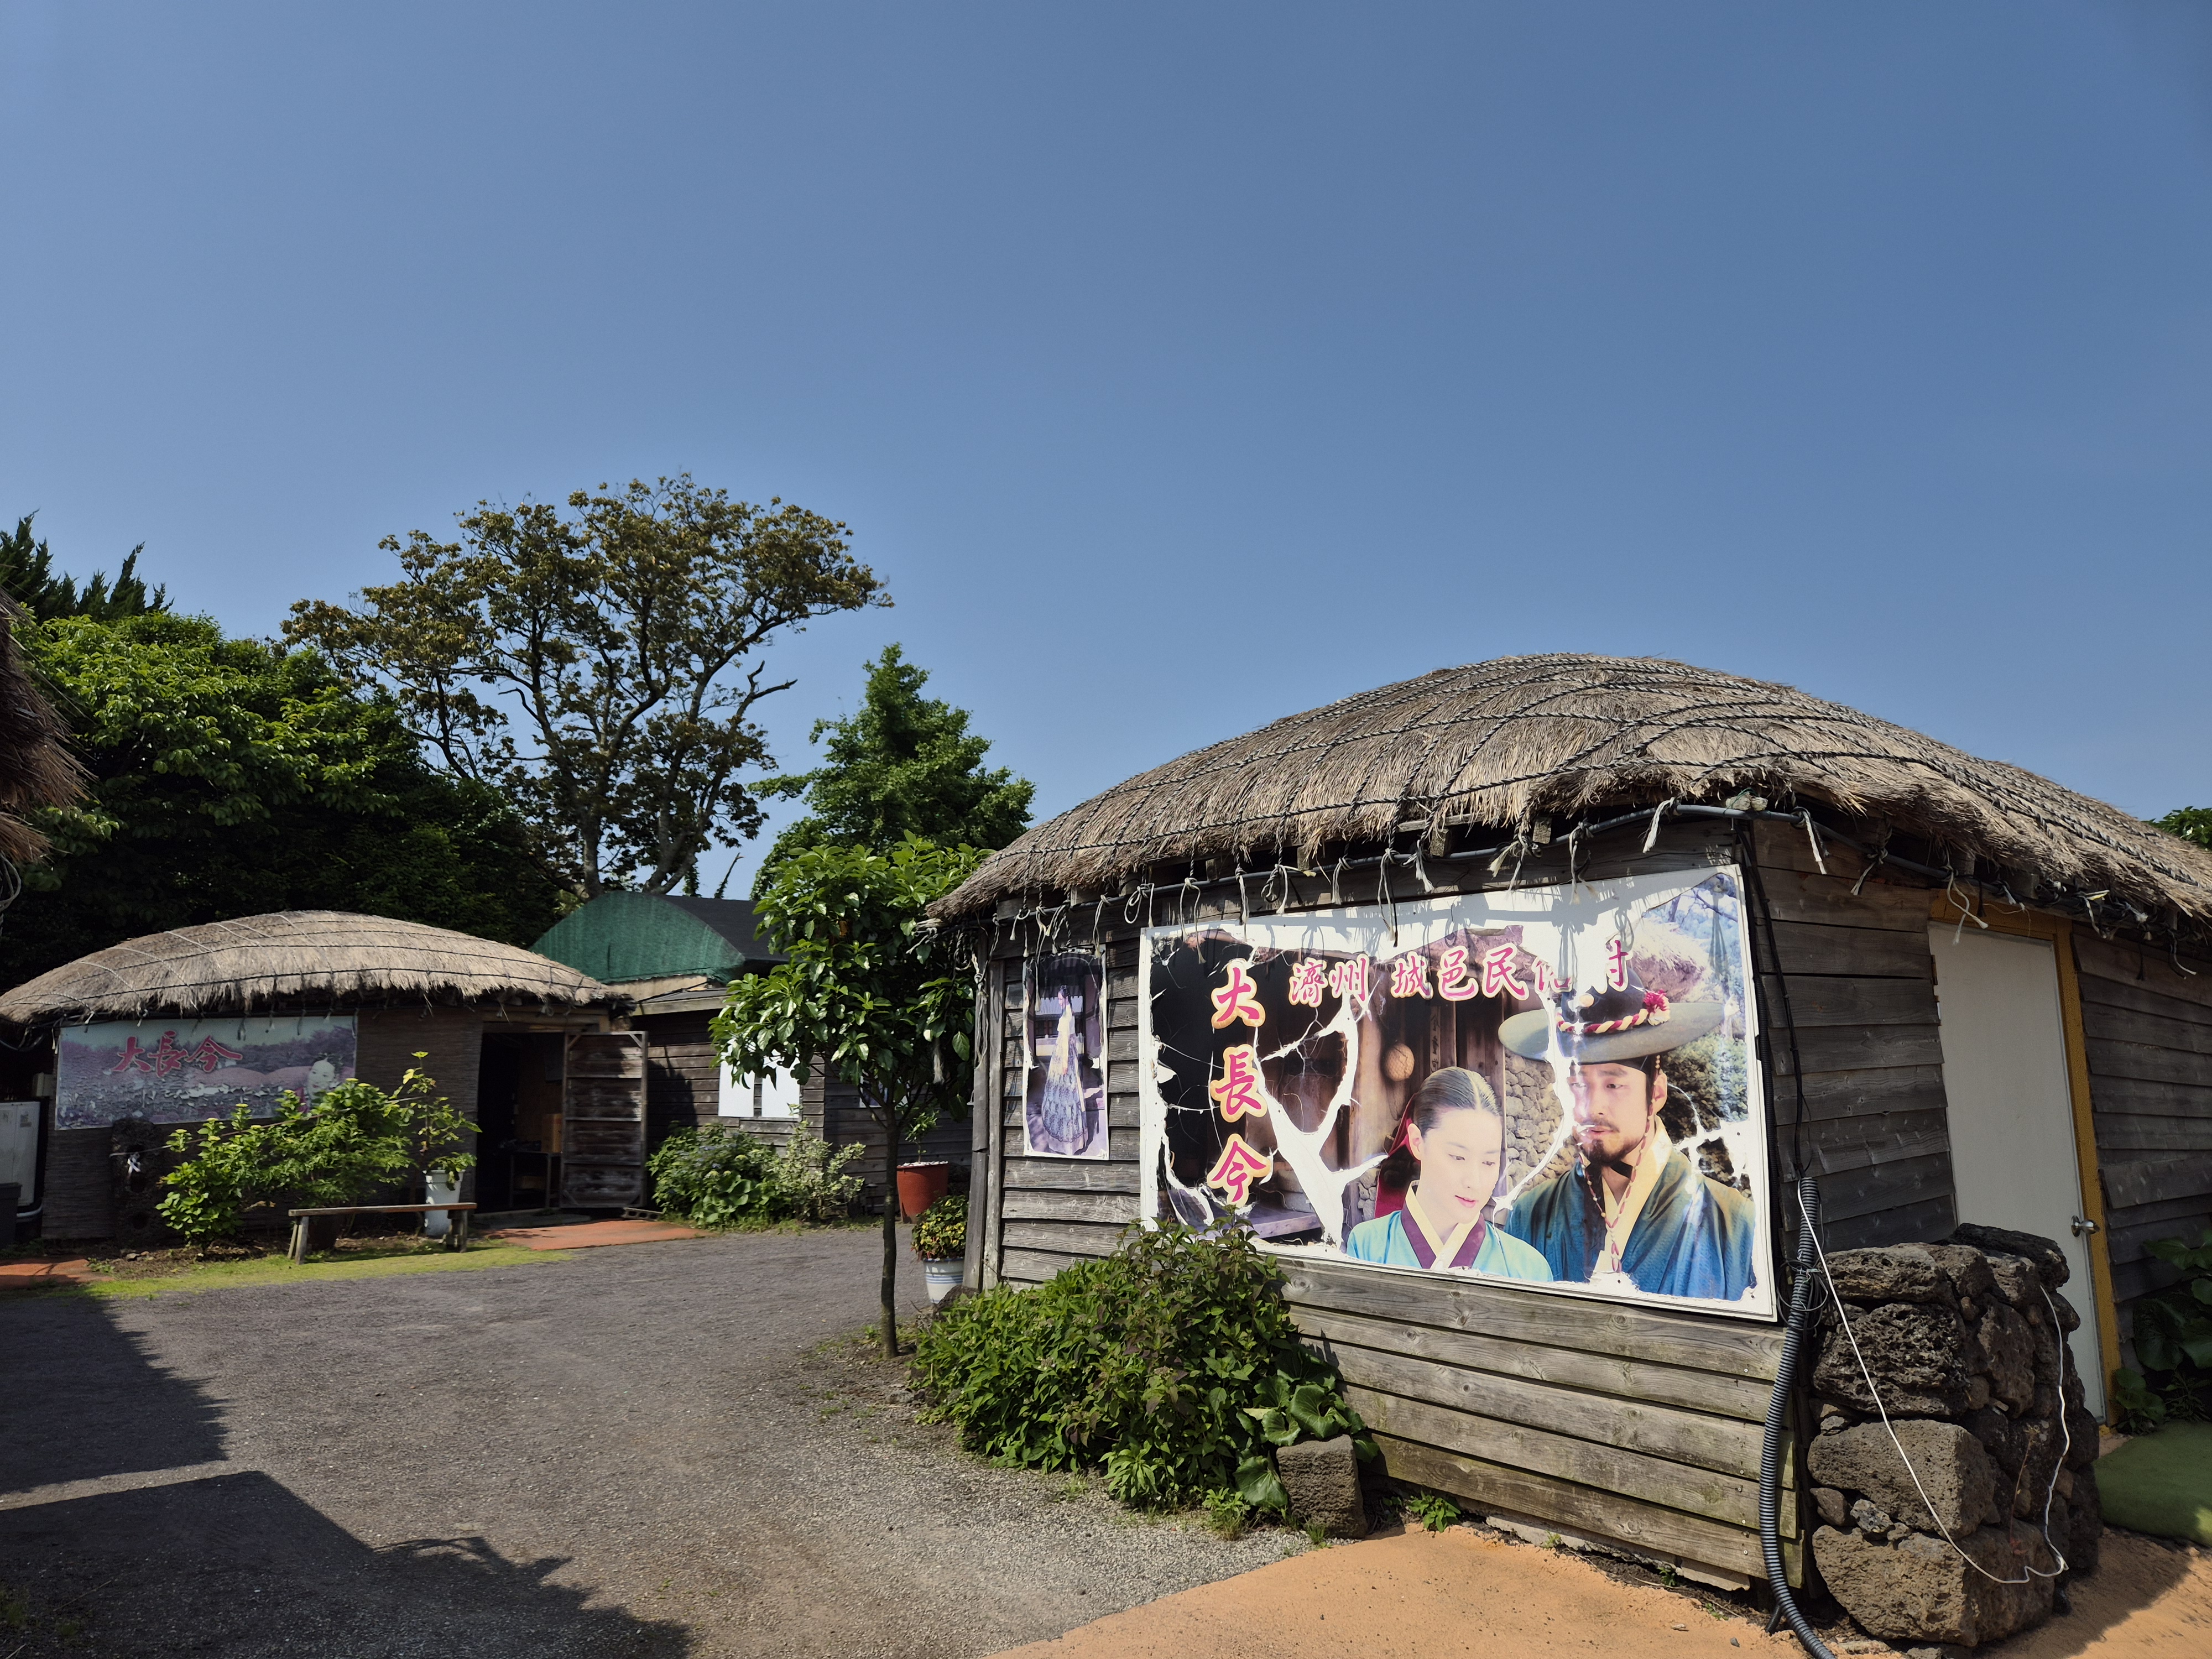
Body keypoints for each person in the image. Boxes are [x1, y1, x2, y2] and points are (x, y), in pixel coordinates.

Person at [1498, 969, 1757, 1301]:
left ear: (1656, 1094)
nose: (1592, 1107)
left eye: (1614, 1084)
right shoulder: (1532, 1214)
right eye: (1577, 1084)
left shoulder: (1735, 1226)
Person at [1343, 1068, 1553, 1280]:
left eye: (1488, 1162)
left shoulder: (1529, 1269)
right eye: (1458, 1157)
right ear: (1417, 1142)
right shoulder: (1367, 1247)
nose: (1474, 1182)